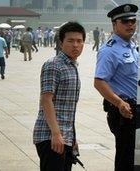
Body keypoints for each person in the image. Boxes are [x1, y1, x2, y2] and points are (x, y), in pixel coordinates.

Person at [33, 21, 85, 171]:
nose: (75, 45)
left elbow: (68, 108)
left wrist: (72, 138)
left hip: (65, 137)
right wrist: (56, 134)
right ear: (61, 43)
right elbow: (46, 99)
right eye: (70, 40)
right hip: (50, 136)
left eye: (79, 41)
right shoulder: (53, 64)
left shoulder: (72, 66)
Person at [94, 4, 139, 171]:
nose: (130, 25)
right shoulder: (109, 50)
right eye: (125, 21)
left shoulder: (131, 46)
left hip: (134, 109)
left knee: (134, 156)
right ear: (114, 25)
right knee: (125, 157)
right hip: (122, 111)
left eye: (133, 21)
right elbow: (99, 82)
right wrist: (119, 103)